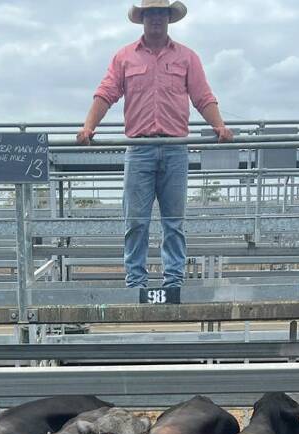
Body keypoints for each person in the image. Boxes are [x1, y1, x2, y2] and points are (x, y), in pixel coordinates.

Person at [77, 0, 233, 289]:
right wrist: (89, 126)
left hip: (175, 147)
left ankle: (173, 281)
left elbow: (202, 96)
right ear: (143, 18)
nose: (156, 19)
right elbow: (106, 93)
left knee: (174, 221)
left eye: (161, 13)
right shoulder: (124, 58)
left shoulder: (187, 58)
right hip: (139, 148)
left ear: (169, 18)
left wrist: (218, 126)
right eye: (151, 13)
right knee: (136, 221)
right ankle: (136, 282)